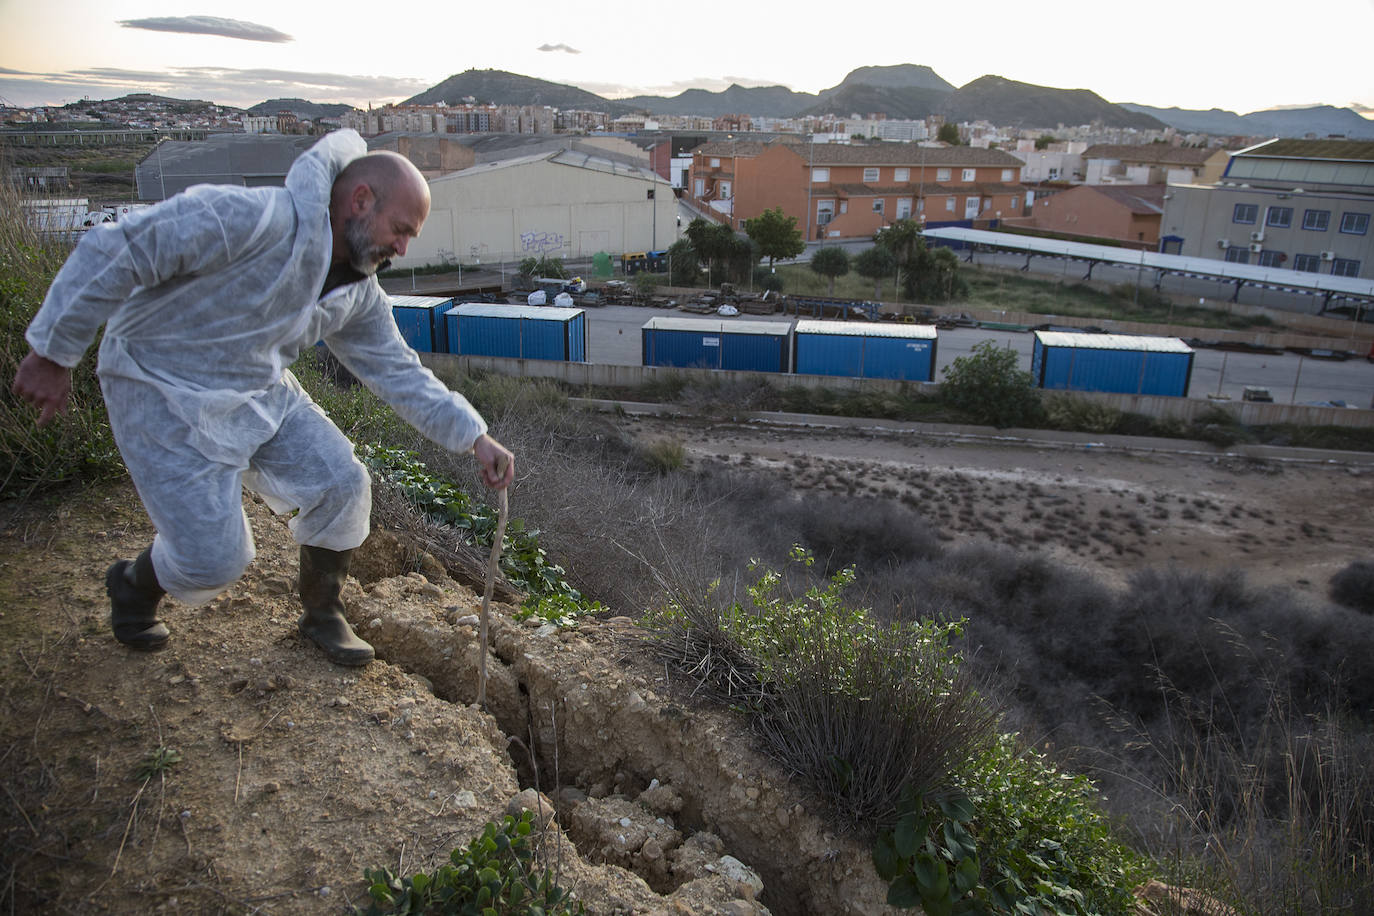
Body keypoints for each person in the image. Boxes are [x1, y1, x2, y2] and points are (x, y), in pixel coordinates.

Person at [11, 129, 514, 667]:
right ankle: (134, 585)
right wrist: (54, 352)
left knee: (343, 482)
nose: (403, 248)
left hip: (258, 388)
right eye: (400, 230)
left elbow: (399, 372)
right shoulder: (251, 219)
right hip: (160, 387)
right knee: (213, 559)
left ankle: (323, 612)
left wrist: (474, 437)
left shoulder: (358, 293)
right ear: (361, 200)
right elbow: (123, 247)